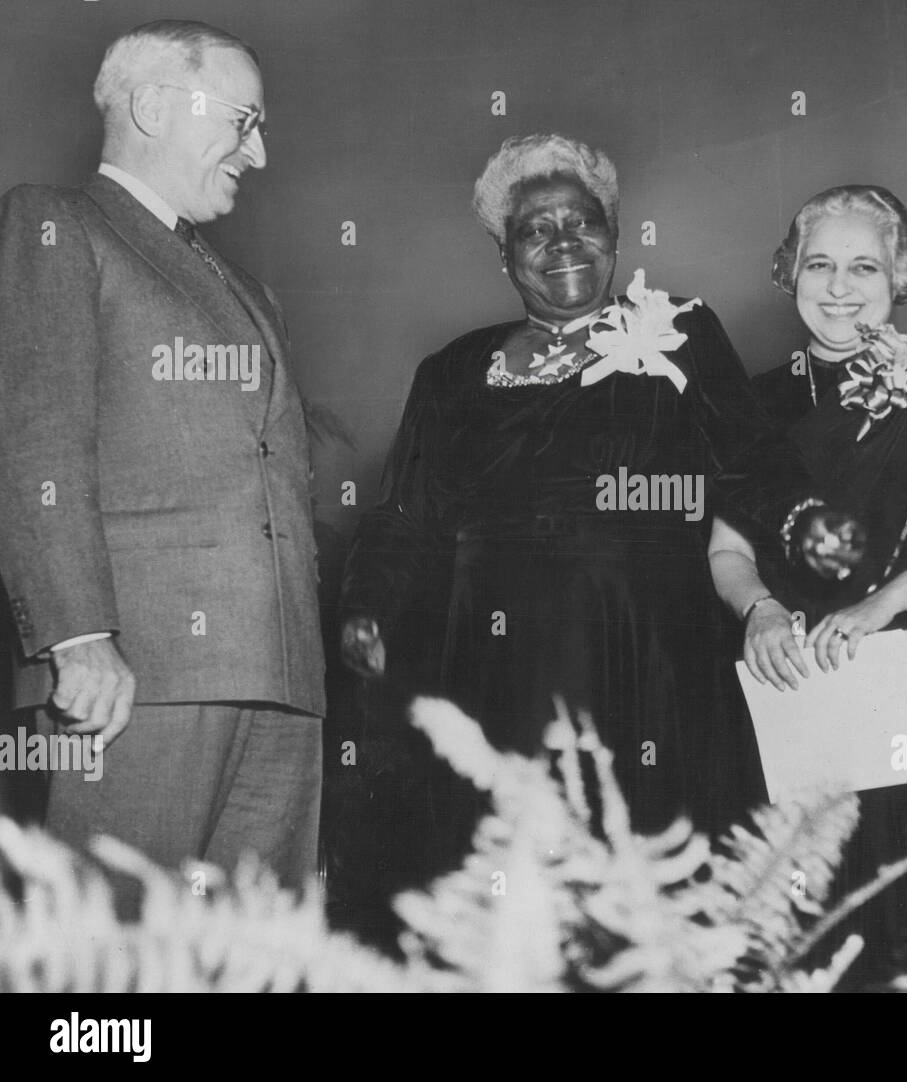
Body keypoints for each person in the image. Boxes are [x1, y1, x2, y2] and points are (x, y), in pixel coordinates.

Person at [338, 134, 862, 893]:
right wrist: (367, 610)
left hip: (647, 659)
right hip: (498, 670)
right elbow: (404, 519)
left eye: (582, 222)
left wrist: (811, 525)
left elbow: (756, 465)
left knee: (649, 888)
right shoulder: (453, 369)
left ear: (614, 235)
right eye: (535, 229)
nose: (563, 242)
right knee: (520, 894)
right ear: (505, 257)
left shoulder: (682, 331)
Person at [0, 20, 325, 887]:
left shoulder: (249, 290)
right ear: (151, 104)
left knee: (255, 959)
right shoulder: (54, 226)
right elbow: (36, 443)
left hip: (280, 677)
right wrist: (78, 636)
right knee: (109, 956)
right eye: (243, 121)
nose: (257, 155)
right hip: (135, 675)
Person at [708, 185, 907, 976]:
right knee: (795, 914)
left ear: (900, 280)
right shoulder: (748, 404)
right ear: (789, 274)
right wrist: (762, 612)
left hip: (905, 676)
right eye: (819, 265)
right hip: (787, 685)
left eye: (864, 268)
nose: (839, 288)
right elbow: (727, 552)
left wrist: (883, 603)